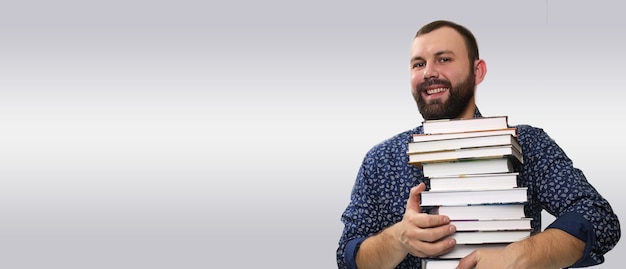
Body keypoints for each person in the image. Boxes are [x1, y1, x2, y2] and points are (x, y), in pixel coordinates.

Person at [336, 20, 621, 269]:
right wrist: (397, 239)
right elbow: (348, 257)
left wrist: (520, 257)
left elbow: (598, 218)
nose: (428, 73)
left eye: (444, 59)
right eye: (419, 64)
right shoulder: (380, 160)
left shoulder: (526, 144)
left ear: (478, 72)